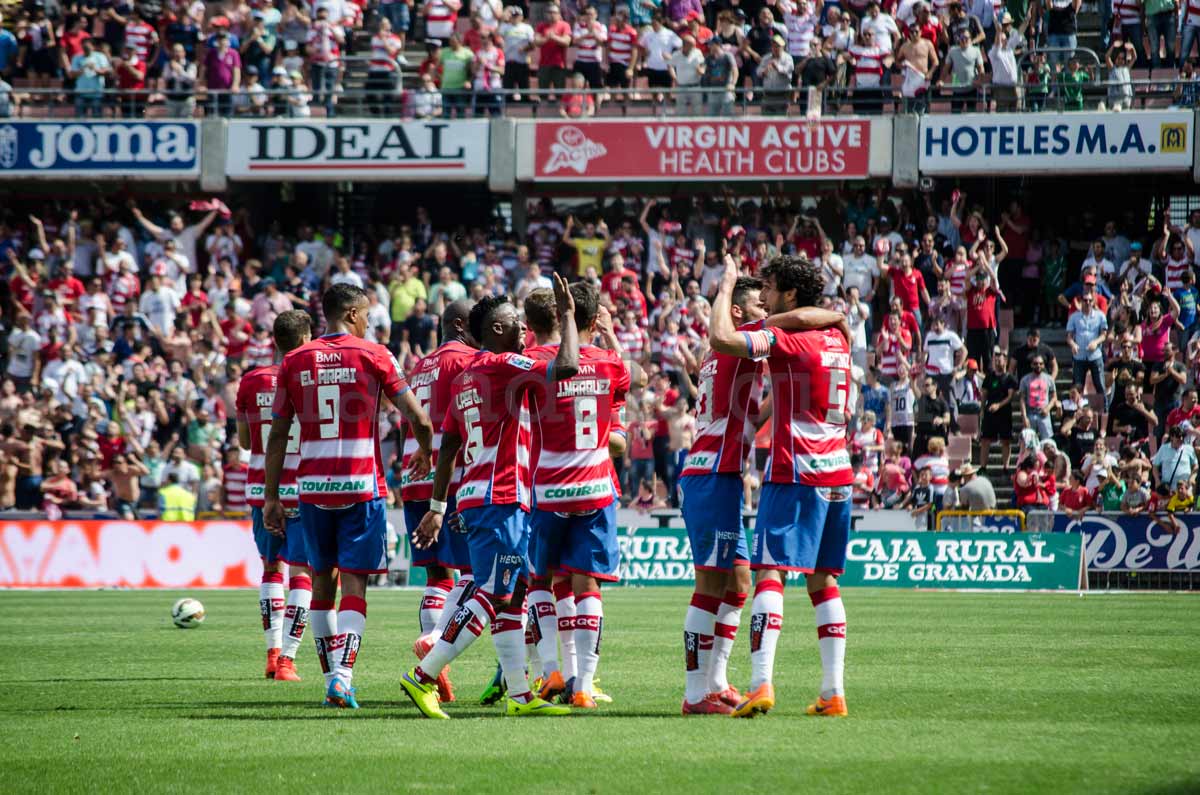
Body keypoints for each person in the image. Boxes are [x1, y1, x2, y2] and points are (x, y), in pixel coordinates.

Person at [401, 275, 580, 720]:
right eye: (517, 323)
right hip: (501, 499)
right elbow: (568, 367)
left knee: (513, 594)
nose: (525, 329)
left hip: (476, 498)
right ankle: (423, 675)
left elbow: (447, 448)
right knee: (491, 593)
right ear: (496, 331)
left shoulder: (465, 379)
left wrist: (438, 508)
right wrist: (571, 316)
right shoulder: (504, 366)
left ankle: (519, 695)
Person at [678, 274, 844, 715]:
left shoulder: (719, 354)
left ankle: (716, 682)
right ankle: (696, 695)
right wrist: (727, 284)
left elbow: (753, 408)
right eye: (757, 304)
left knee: (739, 581)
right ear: (737, 312)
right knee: (711, 584)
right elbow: (728, 333)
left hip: (721, 471)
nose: (765, 310)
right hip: (713, 472)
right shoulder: (743, 335)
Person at [264, 284, 435, 710]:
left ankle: (330, 681)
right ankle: (343, 677)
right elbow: (419, 418)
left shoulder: (294, 360)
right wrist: (427, 452)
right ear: (354, 314)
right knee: (355, 584)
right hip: (361, 486)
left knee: (322, 581)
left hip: (312, 488)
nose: (369, 322)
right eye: (368, 315)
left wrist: (271, 496)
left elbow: (279, 435)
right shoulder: (375, 354)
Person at [520, 285, 629, 710]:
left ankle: (551, 672)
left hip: (547, 486)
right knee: (587, 585)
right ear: (592, 320)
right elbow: (622, 383)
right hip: (596, 487)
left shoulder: (533, 364)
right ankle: (583, 684)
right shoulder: (610, 364)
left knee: (541, 580)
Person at [404, 300, 479, 705]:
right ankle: (435, 646)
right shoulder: (466, 360)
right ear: (459, 324)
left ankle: (436, 670)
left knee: (438, 576)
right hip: (450, 477)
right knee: (473, 572)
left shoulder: (421, 365)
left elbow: (411, 420)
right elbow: (465, 420)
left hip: (413, 473)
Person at [235, 310, 313, 682]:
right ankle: (288, 660)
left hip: (259, 487)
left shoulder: (251, 381)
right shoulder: (307, 376)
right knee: (302, 571)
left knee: (271, 568)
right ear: (303, 340)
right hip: (301, 486)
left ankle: (270, 653)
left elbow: (246, 442)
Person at [979, 348, 1017, 470]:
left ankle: (1005, 467)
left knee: (1005, 441)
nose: (997, 363)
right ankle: (983, 467)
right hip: (990, 412)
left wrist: (999, 405)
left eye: (999, 361)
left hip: (1004, 412)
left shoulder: (1010, 378)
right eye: (995, 361)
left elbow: (1010, 396)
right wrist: (982, 409)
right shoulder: (989, 377)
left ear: (1005, 361)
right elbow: (984, 394)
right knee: (985, 440)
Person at [1066, 292, 1108, 392]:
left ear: (1093, 302)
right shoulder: (1074, 317)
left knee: (1100, 385)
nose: (1088, 302)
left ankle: (1105, 408)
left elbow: (1104, 335)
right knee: (1078, 386)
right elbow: (1069, 336)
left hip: (1095, 355)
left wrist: (1096, 342)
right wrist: (1073, 344)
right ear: (1081, 302)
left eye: (1090, 300)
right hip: (1079, 356)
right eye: (1085, 300)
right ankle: (1077, 407)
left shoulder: (1100, 316)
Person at [1019, 355, 1057, 442]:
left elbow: (1054, 397)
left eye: (1041, 364)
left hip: (1044, 414)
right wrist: (1024, 416)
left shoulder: (1049, 379)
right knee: (1029, 442)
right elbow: (1022, 399)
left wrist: (1048, 408)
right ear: (1031, 365)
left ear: (1044, 365)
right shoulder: (1025, 380)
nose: (1038, 366)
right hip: (1030, 413)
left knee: (1047, 442)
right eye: (1035, 364)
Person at [1152, 425, 1196, 491]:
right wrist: (1157, 481)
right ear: (1172, 437)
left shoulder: (1189, 448)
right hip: (1169, 489)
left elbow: (1196, 466)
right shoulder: (1163, 448)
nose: (1181, 438)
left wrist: (1192, 478)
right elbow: (1155, 466)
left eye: (1182, 436)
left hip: (1185, 489)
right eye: (1178, 436)